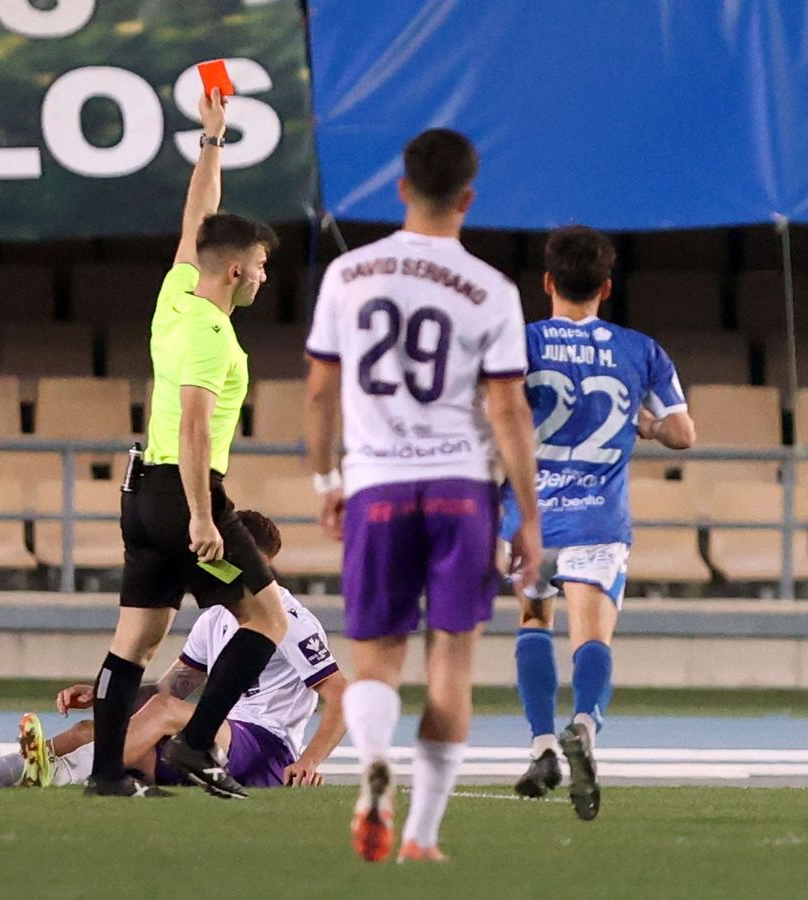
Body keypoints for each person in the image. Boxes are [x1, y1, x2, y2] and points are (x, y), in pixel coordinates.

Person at [303, 128, 541, 863]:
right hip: (459, 489)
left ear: (401, 188)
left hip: (376, 484)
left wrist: (327, 479)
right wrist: (528, 515)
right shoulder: (493, 290)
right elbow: (506, 409)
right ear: (468, 198)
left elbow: (318, 390)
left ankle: (373, 763)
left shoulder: (348, 274)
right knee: (452, 662)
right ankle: (421, 836)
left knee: (375, 659)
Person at [90, 86, 288, 799]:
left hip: (141, 493)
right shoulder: (212, 335)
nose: (265, 274)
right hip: (184, 494)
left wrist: (212, 139)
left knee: (134, 642)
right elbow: (198, 424)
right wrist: (205, 517)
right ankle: (199, 743)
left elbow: (197, 217)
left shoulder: (175, 297)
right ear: (235, 270)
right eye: (261, 264)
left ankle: (108, 776)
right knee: (266, 620)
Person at [0, 512, 346, 793]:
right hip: (215, 744)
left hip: (266, 750)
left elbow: (341, 695)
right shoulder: (216, 617)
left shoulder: (290, 619)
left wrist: (309, 760)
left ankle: (64, 774)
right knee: (97, 729)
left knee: (163, 713)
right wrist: (108, 693)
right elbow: (172, 686)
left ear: (258, 563)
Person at [501, 226, 695, 820]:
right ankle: (583, 726)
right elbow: (684, 434)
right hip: (599, 521)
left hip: (529, 517)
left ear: (547, 282)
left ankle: (540, 745)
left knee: (534, 619)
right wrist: (648, 425)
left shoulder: (520, 341)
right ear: (607, 287)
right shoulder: (641, 350)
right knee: (592, 636)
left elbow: (493, 418)